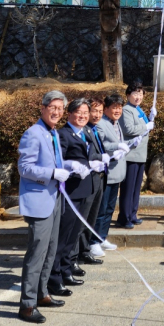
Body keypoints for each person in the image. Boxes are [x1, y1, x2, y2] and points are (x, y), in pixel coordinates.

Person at [17, 90, 76, 324]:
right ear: (42, 108)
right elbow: (25, 168)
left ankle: (42, 294)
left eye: (60, 109)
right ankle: (27, 305)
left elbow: (54, 162)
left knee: (51, 250)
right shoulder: (33, 133)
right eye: (52, 107)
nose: (56, 112)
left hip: (54, 198)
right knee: (36, 253)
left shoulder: (51, 133)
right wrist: (51, 173)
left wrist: (66, 167)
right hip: (39, 201)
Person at [47, 98, 99, 296]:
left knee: (74, 235)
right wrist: (72, 166)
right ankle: (54, 278)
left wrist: (97, 162)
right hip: (70, 192)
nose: (83, 116)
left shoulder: (86, 132)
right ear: (69, 114)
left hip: (86, 189)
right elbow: (58, 160)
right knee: (63, 235)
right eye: (79, 112)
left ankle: (66, 271)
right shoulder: (63, 135)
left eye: (86, 113)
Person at [92, 93, 136, 254]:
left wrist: (129, 143)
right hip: (107, 173)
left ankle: (102, 237)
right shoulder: (101, 124)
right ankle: (93, 241)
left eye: (119, 107)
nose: (117, 110)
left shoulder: (116, 123)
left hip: (117, 173)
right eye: (114, 107)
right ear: (106, 109)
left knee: (109, 208)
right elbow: (102, 144)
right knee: (101, 209)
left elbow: (120, 143)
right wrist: (118, 145)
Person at [116, 81, 155, 229]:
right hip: (131, 155)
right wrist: (146, 126)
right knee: (128, 188)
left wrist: (150, 119)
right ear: (128, 95)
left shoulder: (138, 110)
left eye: (140, 93)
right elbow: (129, 129)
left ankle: (132, 214)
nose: (138, 96)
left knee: (136, 188)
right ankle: (124, 217)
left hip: (140, 155)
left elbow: (144, 130)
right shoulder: (127, 110)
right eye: (135, 93)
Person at [79, 95, 109, 264]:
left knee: (92, 216)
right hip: (88, 179)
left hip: (98, 178)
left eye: (99, 111)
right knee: (83, 218)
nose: (97, 115)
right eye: (93, 111)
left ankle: (85, 250)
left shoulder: (93, 129)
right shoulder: (84, 130)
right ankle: (79, 252)